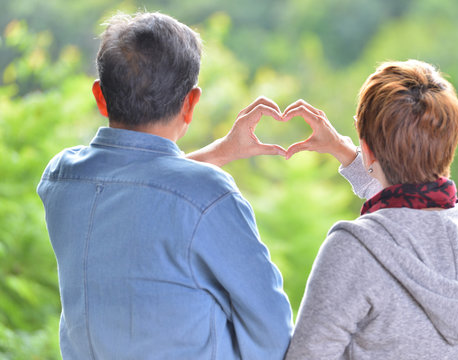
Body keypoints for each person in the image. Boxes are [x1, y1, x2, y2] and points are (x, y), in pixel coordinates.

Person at [37, 12, 293, 359]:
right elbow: (272, 333)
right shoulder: (210, 195)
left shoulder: (61, 178)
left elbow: (137, 184)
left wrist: (220, 151)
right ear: (190, 104)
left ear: (100, 96)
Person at [282, 60, 458, 359]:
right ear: (450, 145)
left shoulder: (354, 250)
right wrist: (347, 152)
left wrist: (359, 152)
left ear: (368, 148)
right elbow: (411, 213)